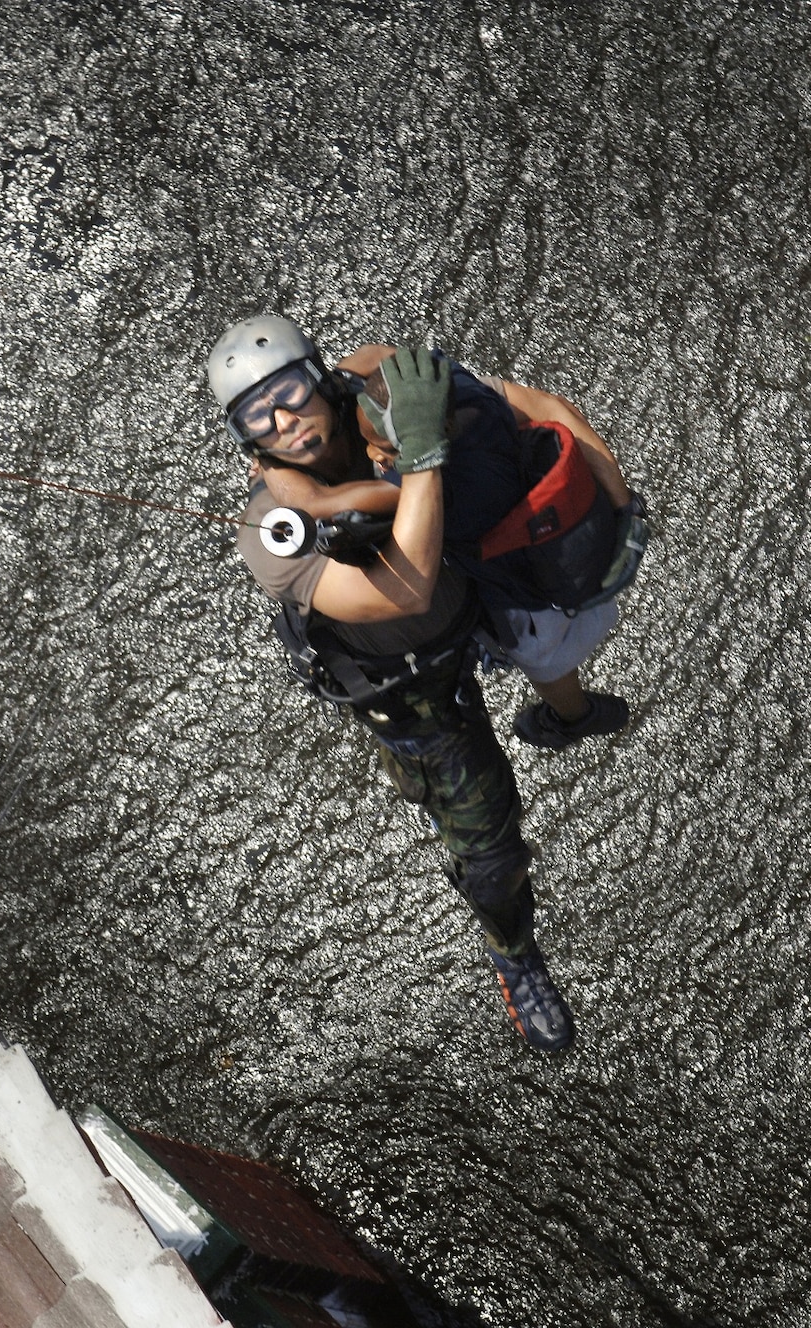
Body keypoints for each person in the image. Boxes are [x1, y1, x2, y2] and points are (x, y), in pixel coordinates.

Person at [207, 314, 575, 1054]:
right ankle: (513, 950)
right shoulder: (271, 533)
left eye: (289, 393)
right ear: (245, 438)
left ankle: (568, 712)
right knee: (492, 857)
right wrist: (423, 458)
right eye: (258, 414)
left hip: (472, 598)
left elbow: (513, 403)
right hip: (408, 689)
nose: (284, 420)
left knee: (558, 618)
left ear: (319, 380)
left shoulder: (378, 394)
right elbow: (400, 594)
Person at [251, 345, 648, 749]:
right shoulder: (476, 403)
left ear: (423, 448)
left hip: (530, 595)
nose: (373, 455)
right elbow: (553, 405)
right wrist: (626, 508)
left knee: (546, 661)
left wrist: (266, 457)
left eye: (384, 451)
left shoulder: (442, 483)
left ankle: (574, 716)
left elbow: (319, 504)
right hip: (573, 537)